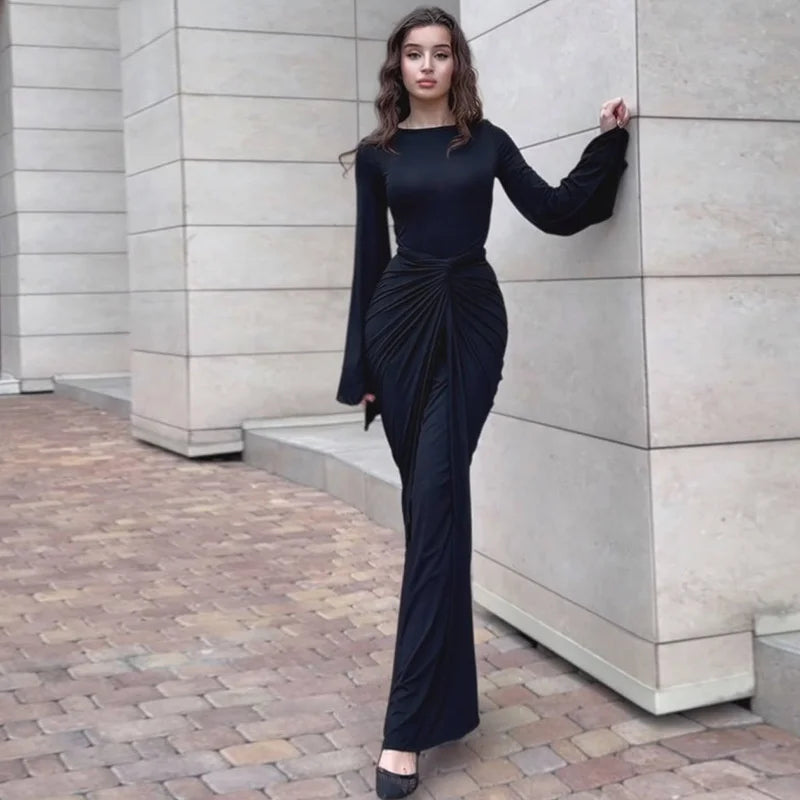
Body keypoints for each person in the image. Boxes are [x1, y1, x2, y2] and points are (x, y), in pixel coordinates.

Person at [335, 7, 630, 798]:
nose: (428, 65)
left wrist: (608, 143)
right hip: (398, 331)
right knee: (435, 514)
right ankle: (445, 702)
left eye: (441, 53)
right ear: (398, 67)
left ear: (457, 65)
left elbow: (558, 210)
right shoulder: (377, 156)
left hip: (470, 324)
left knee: (435, 505)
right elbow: (369, 262)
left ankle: (404, 731)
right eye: (414, 54)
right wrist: (361, 369)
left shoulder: (487, 142)